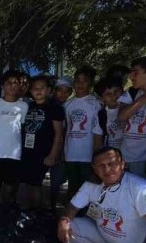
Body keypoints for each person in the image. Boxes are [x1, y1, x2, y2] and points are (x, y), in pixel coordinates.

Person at [18, 75, 65, 209]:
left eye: (42, 88)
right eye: (35, 88)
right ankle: (28, 210)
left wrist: (53, 155)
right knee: (27, 182)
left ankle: (37, 212)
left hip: (43, 152)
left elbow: (58, 133)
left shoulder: (54, 108)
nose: (38, 91)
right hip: (27, 151)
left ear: (48, 90)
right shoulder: (28, 106)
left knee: (36, 183)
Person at [0, 71, 29, 203]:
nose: (12, 85)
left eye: (15, 83)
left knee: (10, 191)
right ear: (3, 86)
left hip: (14, 154)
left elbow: (22, 129)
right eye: (9, 83)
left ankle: (6, 213)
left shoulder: (23, 106)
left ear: (19, 86)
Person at [63, 67, 101, 199]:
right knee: (72, 189)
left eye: (84, 81)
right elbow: (65, 129)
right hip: (70, 154)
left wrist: (96, 156)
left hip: (88, 156)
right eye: (77, 80)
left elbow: (98, 132)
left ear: (91, 83)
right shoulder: (67, 104)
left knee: (88, 189)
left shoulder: (96, 104)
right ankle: (71, 212)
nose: (80, 84)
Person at [49, 76, 73, 208]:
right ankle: (50, 207)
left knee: (59, 179)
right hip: (50, 146)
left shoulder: (71, 105)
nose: (63, 94)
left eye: (66, 91)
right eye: (60, 90)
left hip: (65, 147)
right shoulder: (49, 105)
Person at [92, 77, 125, 151]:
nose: (113, 96)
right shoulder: (101, 115)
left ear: (122, 91)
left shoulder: (130, 108)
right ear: (102, 98)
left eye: (116, 91)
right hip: (112, 154)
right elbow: (97, 141)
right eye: (108, 94)